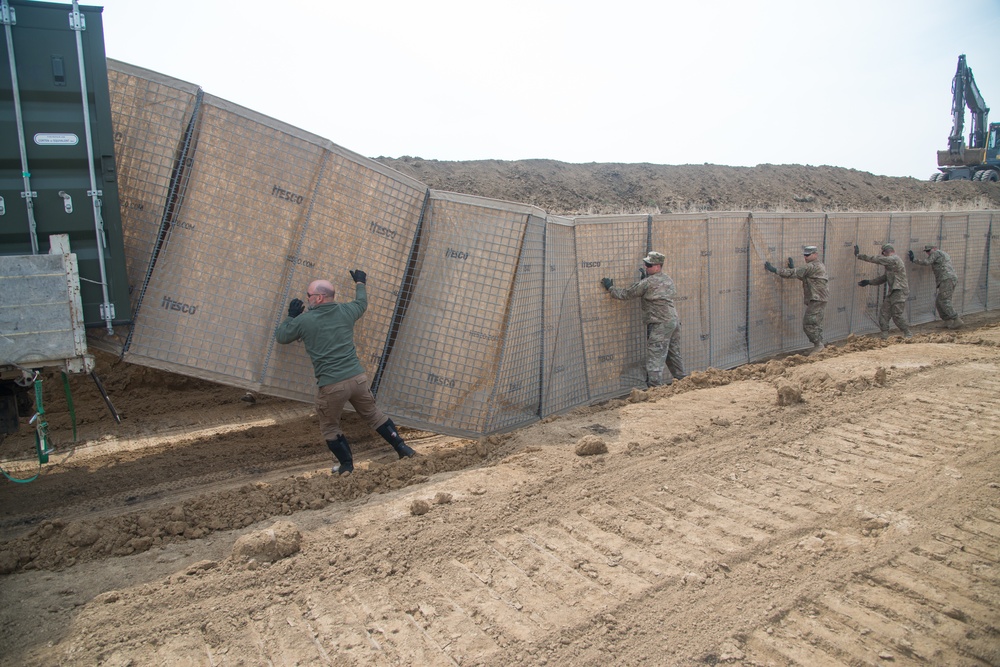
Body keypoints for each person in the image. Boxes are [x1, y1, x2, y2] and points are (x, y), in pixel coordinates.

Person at [275, 271, 415, 475]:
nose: (307, 299)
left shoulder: (304, 321)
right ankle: (403, 448)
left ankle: (347, 466)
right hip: (357, 379)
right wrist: (360, 282)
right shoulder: (346, 311)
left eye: (309, 295)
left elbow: (282, 336)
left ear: (319, 298)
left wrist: (291, 315)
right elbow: (362, 303)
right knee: (375, 416)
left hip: (332, 385)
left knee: (330, 427)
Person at [601, 251, 685, 388]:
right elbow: (656, 291)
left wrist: (610, 288)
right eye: (646, 264)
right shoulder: (667, 279)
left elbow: (627, 294)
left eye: (649, 265)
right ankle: (683, 380)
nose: (646, 267)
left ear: (657, 266)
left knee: (655, 354)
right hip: (673, 321)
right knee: (673, 353)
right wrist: (644, 281)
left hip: (661, 324)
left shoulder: (648, 282)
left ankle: (655, 387)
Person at [764, 245, 829, 355]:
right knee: (815, 323)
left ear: (815, 254)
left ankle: (819, 345)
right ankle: (819, 346)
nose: (805, 257)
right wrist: (793, 268)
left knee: (809, 324)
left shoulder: (812, 266)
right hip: (819, 298)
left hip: (817, 298)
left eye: (808, 255)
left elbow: (792, 274)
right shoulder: (817, 265)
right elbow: (803, 276)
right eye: (804, 255)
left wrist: (775, 270)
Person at [855, 242, 912, 339]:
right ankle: (884, 336)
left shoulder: (894, 259)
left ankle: (908, 333)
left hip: (900, 291)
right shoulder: (891, 266)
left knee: (896, 315)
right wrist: (869, 282)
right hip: (893, 292)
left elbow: (878, 259)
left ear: (885, 253)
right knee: (884, 314)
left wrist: (859, 256)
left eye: (883, 254)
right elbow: (884, 278)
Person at [908, 243, 963, 329]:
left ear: (934, 248)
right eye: (926, 251)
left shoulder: (936, 253)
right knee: (939, 301)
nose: (928, 253)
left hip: (946, 279)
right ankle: (947, 320)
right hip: (947, 279)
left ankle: (956, 319)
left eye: (929, 251)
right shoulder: (943, 254)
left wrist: (914, 259)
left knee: (944, 301)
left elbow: (927, 262)